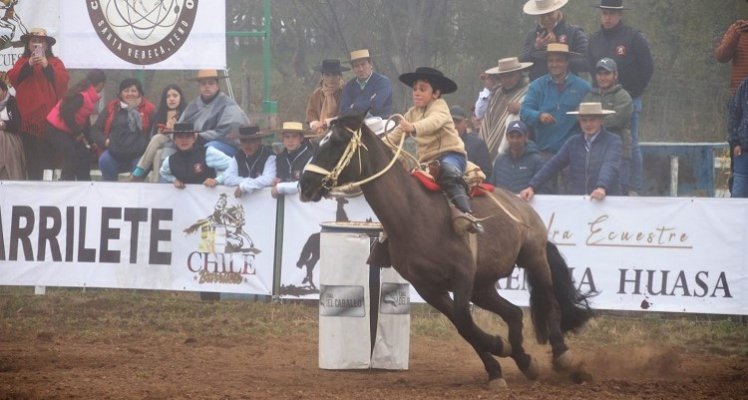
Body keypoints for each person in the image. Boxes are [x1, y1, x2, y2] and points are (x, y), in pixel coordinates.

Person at [385, 67, 483, 234]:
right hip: (426, 163)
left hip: (452, 155)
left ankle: (466, 215)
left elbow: (434, 122)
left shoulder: (440, 106)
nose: (416, 93)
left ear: (436, 93)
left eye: (422, 89)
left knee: (448, 171)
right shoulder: (411, 113)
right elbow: (393, 137)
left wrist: (413, 127)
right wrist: (375, 146)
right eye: (415, 89)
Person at [587, 0, 653, 196]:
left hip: (629, 99)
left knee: (630, 143)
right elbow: (592, 68)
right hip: (601, 99)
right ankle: (602, 184)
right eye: (604, 13)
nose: (607, 17)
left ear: (620, 15)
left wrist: (634, 91)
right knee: (599, 142)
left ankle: (633, 187)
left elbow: (647, 68)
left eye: (611, 14)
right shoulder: (594, 40)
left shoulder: (634, 37)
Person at [520, 102, 622, 201]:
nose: (588, 124)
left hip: (607, 201)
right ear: (579, 122)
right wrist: (532, 186)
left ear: (601, 121)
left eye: (592, 120)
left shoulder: (613, 141)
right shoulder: (573, 142)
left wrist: (601, 187)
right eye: (584, 120)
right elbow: (552, 165)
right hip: (579, 201)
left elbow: (610, 165)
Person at [7, 27, 69, 180]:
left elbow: (63, 82)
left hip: (49, 121)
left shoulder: (55, 62)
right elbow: (13, 79)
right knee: (30, 159)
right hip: (26, 122)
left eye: (40, 41)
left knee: (48, 159)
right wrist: (28, 64)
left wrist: (47, 66)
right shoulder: (22, 62)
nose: (37, 44)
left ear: (47, 45)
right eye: (33, 41)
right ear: (28, 45)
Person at [520, 43, 591, 159]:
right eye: (551, 61)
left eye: (559, 60)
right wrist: (539, 116)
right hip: (544, 152)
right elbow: (524, 110)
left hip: (574, 154)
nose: (554, 64)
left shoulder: (584, 87)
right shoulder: (536, 86)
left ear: (567, 62)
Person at [583, 58, 634, 194]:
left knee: (619, 194)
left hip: (620, 155)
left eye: (607, 73)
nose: (602, 77)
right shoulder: (590, 96)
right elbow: (580, 117)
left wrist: (593, 121)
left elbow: (618, 120)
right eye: (599, 74)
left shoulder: (623, 96)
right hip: (594, 154)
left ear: (615, 75)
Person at [46, 69, 106, 181]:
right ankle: (66, 182)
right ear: (101, 84)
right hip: (55, 129)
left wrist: (90, 141)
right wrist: (78, 132)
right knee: (71, 156)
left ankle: (84, 182)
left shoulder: (87, 96)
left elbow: (84, 121)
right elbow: (66, 113)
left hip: (67, 129)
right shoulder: (81, 96)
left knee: (84, 154)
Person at [175, 69, 249, 157]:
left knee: (208, 149)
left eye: (210, 83)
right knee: (168, 149)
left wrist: (199, 136)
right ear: (199, 86)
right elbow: (182, 126)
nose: (207, 86)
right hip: (195, 142)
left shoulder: (228, 105)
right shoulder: (193, 105)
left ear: (217, 86)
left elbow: (228, 132)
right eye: (203, 83)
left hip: (226, 146)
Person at [92, 78, 155, 181]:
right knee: (105, 160)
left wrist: (144, 145)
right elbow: (95, 130)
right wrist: (105, 142)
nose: (130, 94)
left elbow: (154, 133)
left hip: (139, 155)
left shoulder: (149, 109)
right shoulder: (112, 107)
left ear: (139, 93)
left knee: (140, 168)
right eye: (126, 91)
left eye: (133, 91)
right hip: (114, 152)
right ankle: (109, 193)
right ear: (120, 93)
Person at [479, 57, 533, 162]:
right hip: (490, 141)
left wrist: (521, 109)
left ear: (519, 73)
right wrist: (488, 87)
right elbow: (480, 113)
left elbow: (536, 113)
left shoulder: (529, 91)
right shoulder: (497, 92)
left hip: (516, 148)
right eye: (503, 76)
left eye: (510, 76)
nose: (507, 80)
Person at [130, 84, 186, 182]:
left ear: (180, 97)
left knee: (158, 138)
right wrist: (162, 130)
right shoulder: (160, 113)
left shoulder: (186, 113)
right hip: (162, 147)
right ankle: (156, 185)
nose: (171, 99)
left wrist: (173, 130)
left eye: (175, 96)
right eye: (168, 96)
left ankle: (140, 169)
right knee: (158, 153)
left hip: (178, 147)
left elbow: (186, 137)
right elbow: (152, 135)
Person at [521, 0, 588, 81]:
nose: (546, 19)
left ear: (557, 9)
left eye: (549, 14)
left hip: (568, 87)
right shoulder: (532, 35)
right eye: (542, 15)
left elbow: (586, 63)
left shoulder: (574, 32)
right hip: (539, 89)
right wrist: (536, 48)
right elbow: (524, 65)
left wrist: (558, 49)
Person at [159, 122, 232, 189]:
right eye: (180, 137)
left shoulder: (208, 153)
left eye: (187, 136)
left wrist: (217, 180)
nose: (184, 140)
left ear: (194, 139)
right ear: (174, 140)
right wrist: (174, 180)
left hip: (209, 199)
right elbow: (163, 174)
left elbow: (234, 166)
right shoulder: (169, 161)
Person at [490, 120, 545, 194]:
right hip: (502, 204)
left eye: (519, 136)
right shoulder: (500, 160)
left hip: (525, 204)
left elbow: (543, 190)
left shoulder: (537, 161)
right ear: (507, 137)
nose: (515, 140)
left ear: (526, 137)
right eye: (511, 136)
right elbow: (492, 185)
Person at [224, 125, 276, 198]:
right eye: (243, 141)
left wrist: (245, 186)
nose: (247, 145)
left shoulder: (270, 156)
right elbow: (228, 178)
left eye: (251, 140)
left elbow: (269, 179)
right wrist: (247, 182)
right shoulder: (238, 156)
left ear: (259, 141)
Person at [339, 49, 393, 118]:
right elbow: (343, 110)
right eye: (356, 66)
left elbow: (376, 104)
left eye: (363, 64)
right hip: (355, 124)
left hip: (382, 124)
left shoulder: (383, 82)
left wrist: (354, 106)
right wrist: (369, 102)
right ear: (353, 69)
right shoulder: (349, 86)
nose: (361, 69)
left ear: (371, 64)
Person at [272, 121, 314, 198]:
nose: (290, 140)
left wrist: (280, 187)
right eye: (287, 137)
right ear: (282, 139)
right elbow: (275, 180)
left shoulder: (310, 156)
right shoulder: (279, 157)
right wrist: (275, 181)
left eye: (294, 136)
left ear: (301, 138)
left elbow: (304, 184)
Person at [306, 59, 347, 135]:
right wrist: (316, 125)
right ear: (322, 76)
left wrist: (327, 123)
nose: (331, 79)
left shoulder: (346, 92)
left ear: (340, 76)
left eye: (334, 75)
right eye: (327, 75)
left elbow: (347, 115)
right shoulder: (316, 94)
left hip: (341, 132)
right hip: (317, 133)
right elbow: (311, 114)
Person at [450, 105, 491, 179]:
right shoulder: (440, 144)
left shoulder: (478, 144)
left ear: (465, 123)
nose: (454, 125)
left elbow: (486, 173)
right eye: (451, 122)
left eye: (457, 122)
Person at [0, 80, 24, 179]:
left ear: (4, 91)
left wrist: (4, 125)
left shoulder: (11, 102)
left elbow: (16, 124)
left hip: (9, 139)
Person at [728, 77, 748, 198]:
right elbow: (733, 115)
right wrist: (735, 143)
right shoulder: (744, 86)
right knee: (737, 202)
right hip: (743, 155)